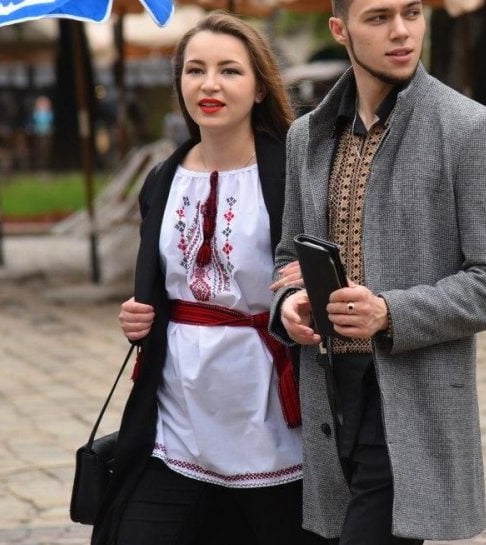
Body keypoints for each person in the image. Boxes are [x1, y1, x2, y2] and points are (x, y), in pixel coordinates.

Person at [268, 0, 486, 542]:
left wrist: (389, 311)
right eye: (379, 17)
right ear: (340, 30)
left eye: (412, 13)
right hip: (326, 398)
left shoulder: (472, 129)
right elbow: (288, 256)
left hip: (409, 404)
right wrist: (289, 305)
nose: (402, 31)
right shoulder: (307, 136)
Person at [95, 12, 324, 545]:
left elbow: (323, 265)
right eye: (195, 70)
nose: (210, 85)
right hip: (177, 412)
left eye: (230, 71)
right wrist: (140, 314)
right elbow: (166, 285)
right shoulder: (162, 179)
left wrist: (309, 292)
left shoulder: (294, 172)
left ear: (261, 87)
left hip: (269, 408)